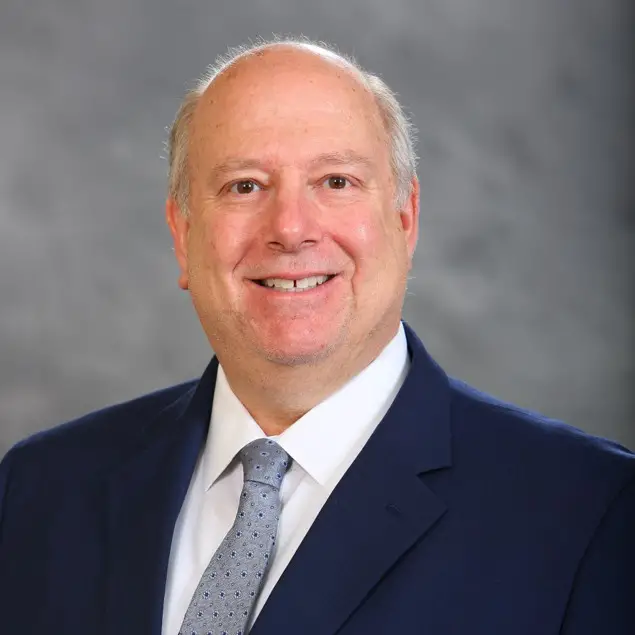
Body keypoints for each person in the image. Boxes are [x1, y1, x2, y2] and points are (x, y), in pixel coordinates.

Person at [0, 36, 633, 635]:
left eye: (336, 182)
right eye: (244, 186)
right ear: (182, 235)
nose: (291, 228)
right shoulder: (37, 491)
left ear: (405, 218)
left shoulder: (590, 513)